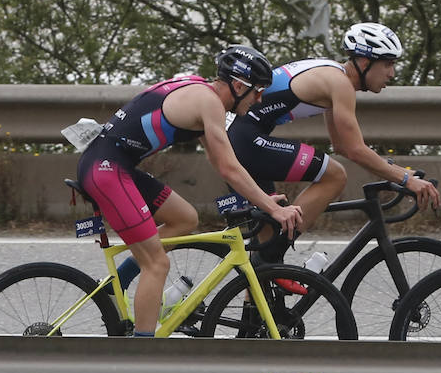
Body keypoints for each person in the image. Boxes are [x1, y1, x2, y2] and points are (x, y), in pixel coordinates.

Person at [76, 46, 304, 337]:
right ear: (238, 86)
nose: (260, 99)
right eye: (257, 91)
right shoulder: (209, 102)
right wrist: (273, 209)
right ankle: (141, 356)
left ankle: (117, 282)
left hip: (114, 166)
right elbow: (228, 169)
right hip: (107, 171)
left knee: (184, 218)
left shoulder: (202, 93)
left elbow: (220, 159)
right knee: (157, 264)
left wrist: (257, 198)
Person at [226, 21, 441, 263]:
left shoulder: (333, 76)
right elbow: (354, 149)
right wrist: (406, 179)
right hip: (245, 139)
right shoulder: (340, 84)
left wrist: (400, 172)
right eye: (387, 64)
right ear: (363, 62)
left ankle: (255, 293)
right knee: (334, 175)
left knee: (263, 243)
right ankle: (279, 247)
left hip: (238, 138)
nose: (392, 73)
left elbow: (340, 145)